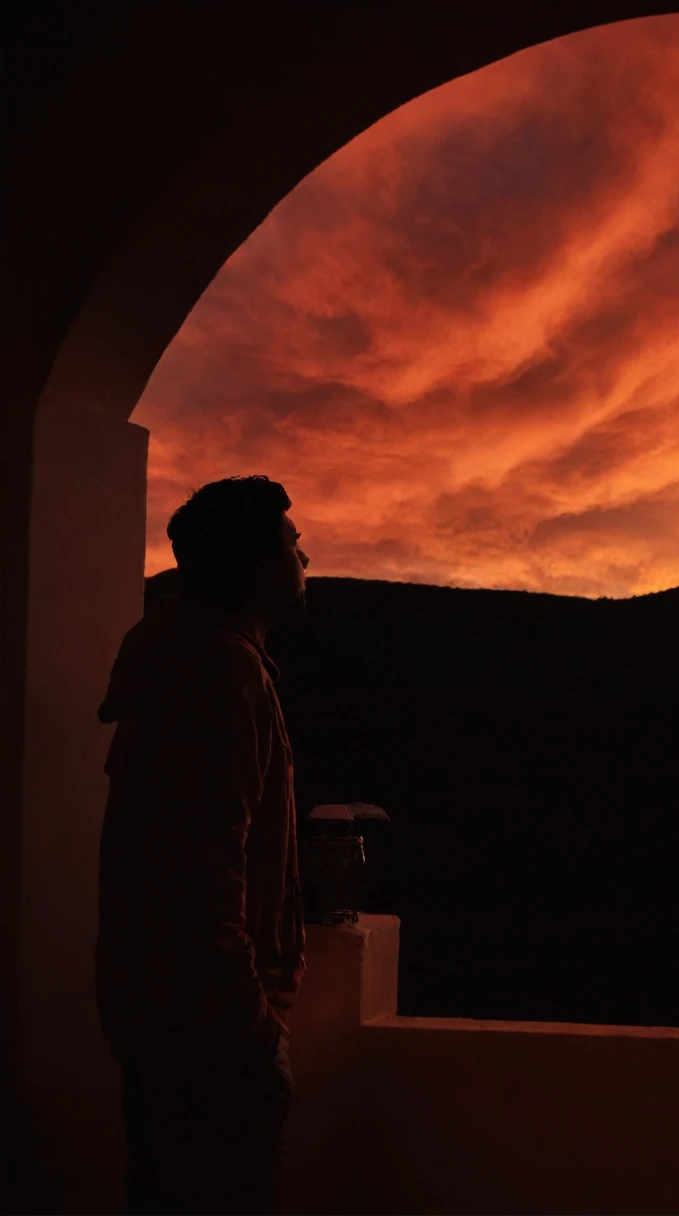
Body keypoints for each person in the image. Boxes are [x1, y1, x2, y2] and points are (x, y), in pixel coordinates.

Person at [96, 476, 310, 1214]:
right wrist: (252, 1029)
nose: (305, 554)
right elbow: (201, 870)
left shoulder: (192, 661)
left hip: (171, 1025)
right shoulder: (218, 674)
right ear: (256, 567)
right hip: (207, 1041)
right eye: (291, 543)